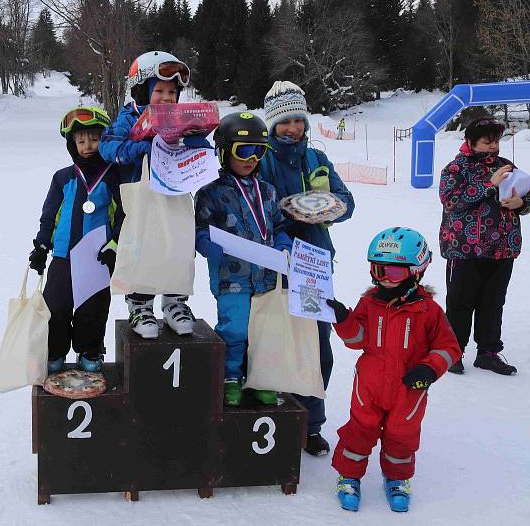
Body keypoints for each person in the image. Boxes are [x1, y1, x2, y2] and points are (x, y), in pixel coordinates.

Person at [326, 227, 461, 513]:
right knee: (359, 431)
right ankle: (349, 475)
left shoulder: (429, 311)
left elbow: (449, 348)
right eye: (378, 270)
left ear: (417, 272)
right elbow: (357, 340)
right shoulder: (369, 303)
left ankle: (397, 479)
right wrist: (343, 319)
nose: (385, 279)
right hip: (370, 386)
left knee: (402, 434)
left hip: (409, 389)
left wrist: (428, 370)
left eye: (395, 273)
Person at [259, 80, 355, 456]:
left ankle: (311, 423)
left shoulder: (317, 159)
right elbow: (260, 207)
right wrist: (288, 209)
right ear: (272, 124)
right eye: (284, 122)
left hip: (315, 264)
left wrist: (328, 203)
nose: (292, 128)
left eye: (298, 120)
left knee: (316, 347)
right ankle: (270, 413)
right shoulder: (261, 157)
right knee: (272, 341)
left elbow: (347, 202)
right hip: (273, 264)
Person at [99, 50, 199, 339]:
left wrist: (195, 143)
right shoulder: (128, 118)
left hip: (174, 195)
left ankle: (175, 301)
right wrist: (141, 147)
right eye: (160, 90)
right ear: (142, 89)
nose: (167, 97)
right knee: (145, 248)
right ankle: (140, 304)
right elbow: (109, 147)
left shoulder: (180, 119)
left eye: (172, 91)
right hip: (141, 196)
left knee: (178, 247)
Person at [194, 112, 292, 406]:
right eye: (243, 150)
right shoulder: (210, 193)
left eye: (258, 150)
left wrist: (285, 245)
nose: (251, 158)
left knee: (264, 329)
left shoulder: (268, 192)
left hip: (265, 277)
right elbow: (198, 228)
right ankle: (231, 376)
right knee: (235, 327)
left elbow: (277, 225)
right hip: (231, 278)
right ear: (224, 152)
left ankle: (261, 377)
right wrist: (206, 244)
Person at [28, 106, 125, 373]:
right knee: (56, 308)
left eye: (93, 139)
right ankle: (55, 351)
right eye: (80, 141)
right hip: (62, 256)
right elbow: (49, 216)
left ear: (103, 139)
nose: (87, 146)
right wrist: (41, 245)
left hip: (97, 257)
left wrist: (114, 245)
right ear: (72, 144)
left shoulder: (114, 176)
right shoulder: (62, 178)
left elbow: (124, 216)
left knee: (92, 309)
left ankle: (90, 349)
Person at [439, 117, 529, 376]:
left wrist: (521, 204)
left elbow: (526, 192)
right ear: (470, 142)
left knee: (493, 302)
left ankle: (488, 353)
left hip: (502, 246)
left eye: (496, 141)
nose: (493, 147)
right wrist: (489, 184)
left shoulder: (506, 166)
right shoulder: (456, 169)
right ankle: (452, 352)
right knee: (460, 302)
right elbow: (451, 201)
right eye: (486, 142)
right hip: (465, 248)